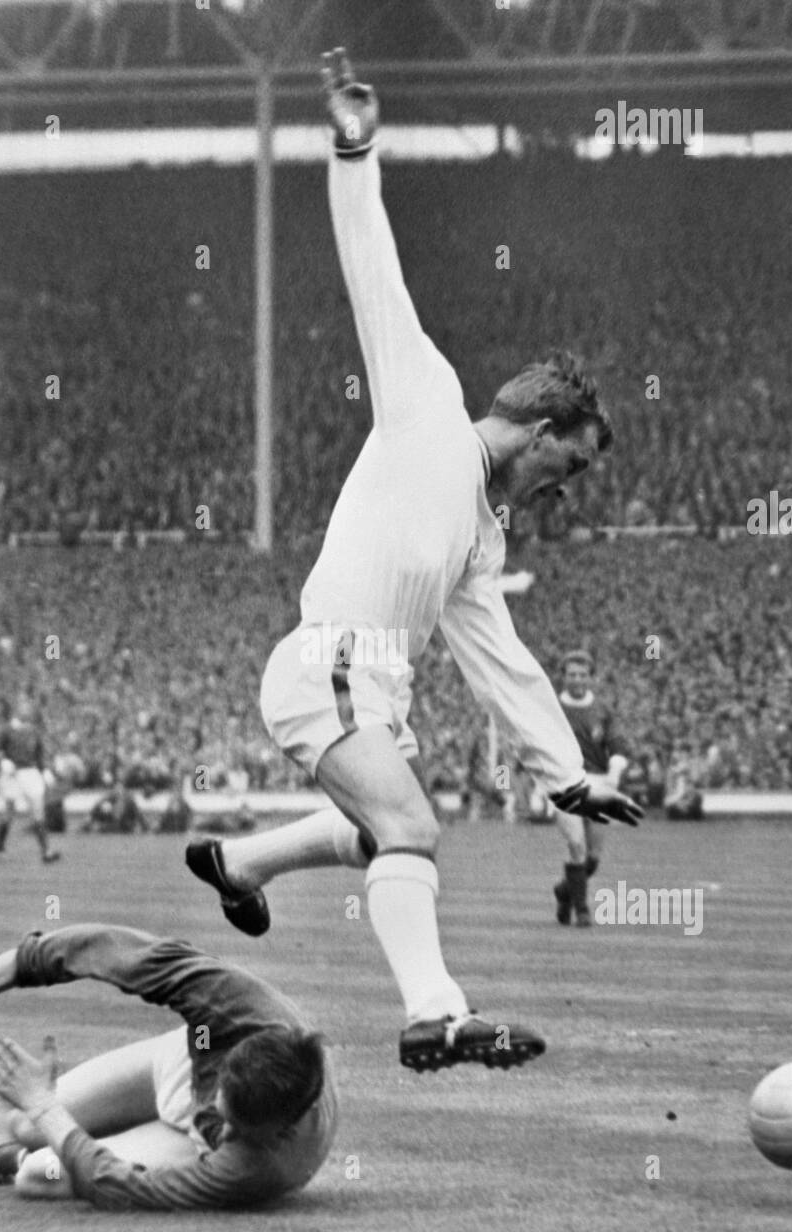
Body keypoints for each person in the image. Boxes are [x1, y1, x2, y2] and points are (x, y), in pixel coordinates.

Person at [188, 49, 642, 1074]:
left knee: (367, 837)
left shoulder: (484, 530)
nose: (559, 490)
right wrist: (355, 149)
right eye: (562, 467)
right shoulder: (427, 400)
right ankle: (434, 1011)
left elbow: (497, 660)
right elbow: (373, 275)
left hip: (373, 685)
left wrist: (565, 777)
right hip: (330, 661)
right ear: (536, 428)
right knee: (411, 829)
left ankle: (240, 860)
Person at [0, 924, 336, 1212]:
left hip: (191, 1144)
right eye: (223, 1111)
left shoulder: (258, 1167)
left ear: (279, 1134)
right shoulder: (234, 1003)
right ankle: (58, 1130)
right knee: (20, 1124)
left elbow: (113, 1186)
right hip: (180, 1064)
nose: (221, 1127)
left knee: (39, 1173)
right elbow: (103, 948)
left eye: (234, 1129)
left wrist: (43, 1103)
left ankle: (24, 1158)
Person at [550, 651, 630, 928]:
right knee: (576, 846)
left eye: (582, 674)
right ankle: (582, 910)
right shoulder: (550, 706)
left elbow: (618, 745)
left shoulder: (603, 710)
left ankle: (564, 891)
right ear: (563, 676)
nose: (577, 679)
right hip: (563, 783)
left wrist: (615, 772)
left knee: (593, 859)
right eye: (572, 674)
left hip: (596, 784)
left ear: (590, 677)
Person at [0, 695, 60, 863]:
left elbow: (40, 755)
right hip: (13, 774)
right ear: (17, 709)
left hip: (30, 773)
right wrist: (4, 761)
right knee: (9, 812)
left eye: (28, 707)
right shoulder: (7, 729)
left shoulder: (34, 731)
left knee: (38, 810)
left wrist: (45, 771)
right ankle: (0, 847)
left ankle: (46, 851)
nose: (26, 710)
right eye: (23, 706)